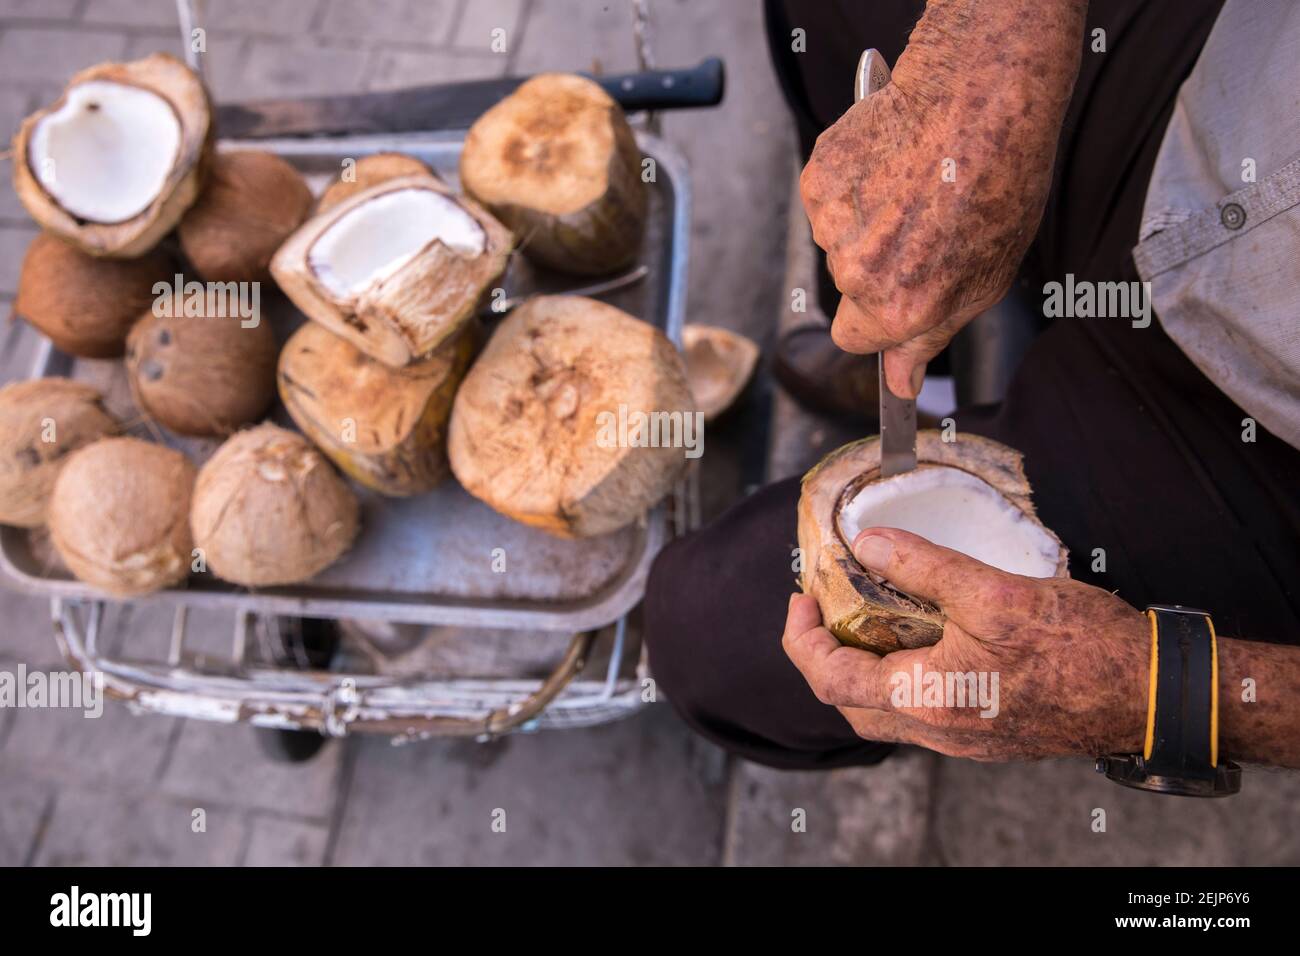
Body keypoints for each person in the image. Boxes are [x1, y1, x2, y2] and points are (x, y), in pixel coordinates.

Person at [643, 0, 1300, 774]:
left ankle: (958, 371)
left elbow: (1163, 695)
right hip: (1229, 104)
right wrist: (1001, 47)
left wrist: (1157, 693)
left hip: (1254, 443)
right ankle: (928, 354)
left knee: (712, 633)